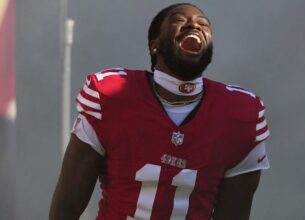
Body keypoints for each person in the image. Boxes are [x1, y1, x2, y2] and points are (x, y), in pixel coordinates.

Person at [50, 3, 270, 220]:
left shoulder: (240, 115)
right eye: (179, 21)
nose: (194, 26)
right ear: (154, 45)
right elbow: (66, 208)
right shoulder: (112, 96)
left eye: (203, 24)